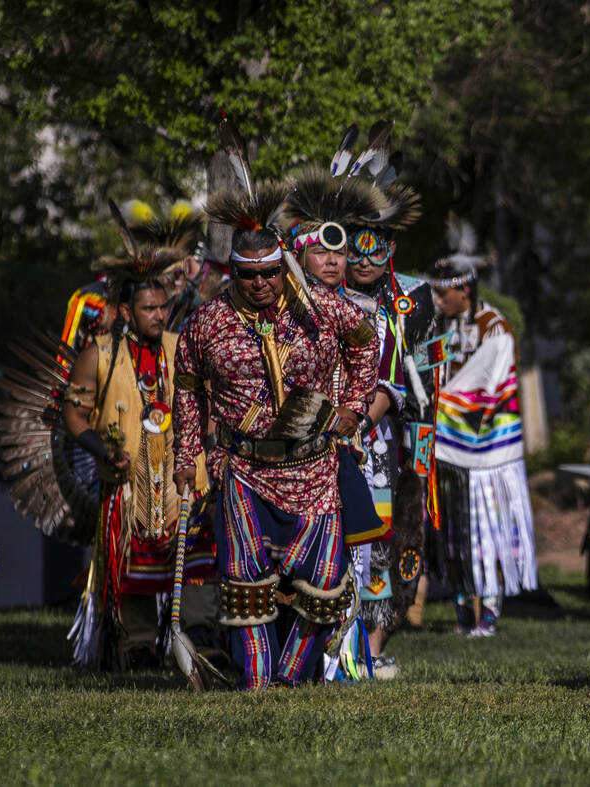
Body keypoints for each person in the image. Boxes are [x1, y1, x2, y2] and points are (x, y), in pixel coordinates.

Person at [176, 168, 380, 690]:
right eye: (250, 275)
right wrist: (186, 460)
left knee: (325, 588)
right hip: (244, 466)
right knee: (246, 588)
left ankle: (292, 679)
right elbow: (188, 392)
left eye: (271, 272)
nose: (262, 284)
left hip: (314, 464)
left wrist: (353, 406)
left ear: (282, 267)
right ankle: (258, 683)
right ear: (234, 273)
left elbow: (365, 345)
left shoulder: (320, 308)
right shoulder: (207, 323)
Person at [62, 220, 218, 671]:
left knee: (195, 557)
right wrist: (101, 449)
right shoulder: (100, 354)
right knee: (131, 562)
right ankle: (139, 642)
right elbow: (75, 413)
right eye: (149, 309)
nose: (159, 316)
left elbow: (208, 399)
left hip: (182, 476)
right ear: (126, 312)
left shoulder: (182, 346)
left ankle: (198, 635)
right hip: (127, 479)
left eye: (163, 307)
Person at [429, 219, 538, 637]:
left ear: (465, 290)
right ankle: (463, 612)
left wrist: (436, 402)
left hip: (489, 451)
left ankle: (488, 615)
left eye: (444, 292)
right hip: (453, 449)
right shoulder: (442, 326)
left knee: (487, 531)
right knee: (458, 531)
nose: (438, 299)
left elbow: (481, 388)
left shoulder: (496, 329)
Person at [342, 174, 428, 677]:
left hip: (378, 444)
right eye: (358, 252)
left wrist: (417, 457)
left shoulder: (407, 303)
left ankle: (370, 650)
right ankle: (333, 646)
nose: (367, 262)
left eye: (378, 253)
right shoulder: (319, 299)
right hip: (328, 438)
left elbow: (409, 383)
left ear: (391, 249)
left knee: (377, 540)